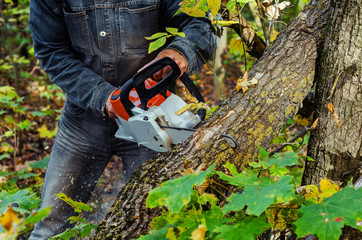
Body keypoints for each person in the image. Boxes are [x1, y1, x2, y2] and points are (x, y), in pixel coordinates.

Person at [28, 0, 216, 239]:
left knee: (154, 222)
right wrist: (102, 97)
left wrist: (179, 53)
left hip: (155, 115)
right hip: (83, 118)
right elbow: (51, 50)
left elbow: (199, 24)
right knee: (50, 225)